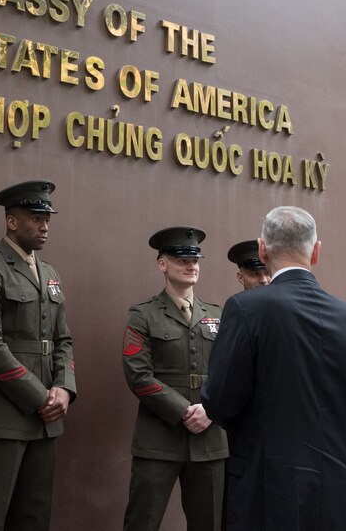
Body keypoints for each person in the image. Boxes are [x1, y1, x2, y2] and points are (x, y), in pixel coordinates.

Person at [201, 206, 346, 531]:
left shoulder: (244, 308)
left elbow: (219, 402)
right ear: (316, 252)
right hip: (339, 495)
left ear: (262, 249)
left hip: (266, 493)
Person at [0, 180, 76, 531]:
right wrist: (38, 396)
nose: (44, 226)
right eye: (36, 217)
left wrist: (64, 388)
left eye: (47, 219)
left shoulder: (50, 274)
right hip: (3, 417)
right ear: (11, 221)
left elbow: (63, 340)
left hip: (46, 419)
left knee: (34, 517)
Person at [121, 227, 228, 531]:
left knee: (209, 523)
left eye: (195, 260)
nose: (191, 265)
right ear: (162, 264)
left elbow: (231, 374)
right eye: (181, 259)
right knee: (143, 520)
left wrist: (211, 409)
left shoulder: (218, 315)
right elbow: (138, 375)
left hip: (210, 437)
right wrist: (183, 410)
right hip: (159, 438)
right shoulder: (143, 314)